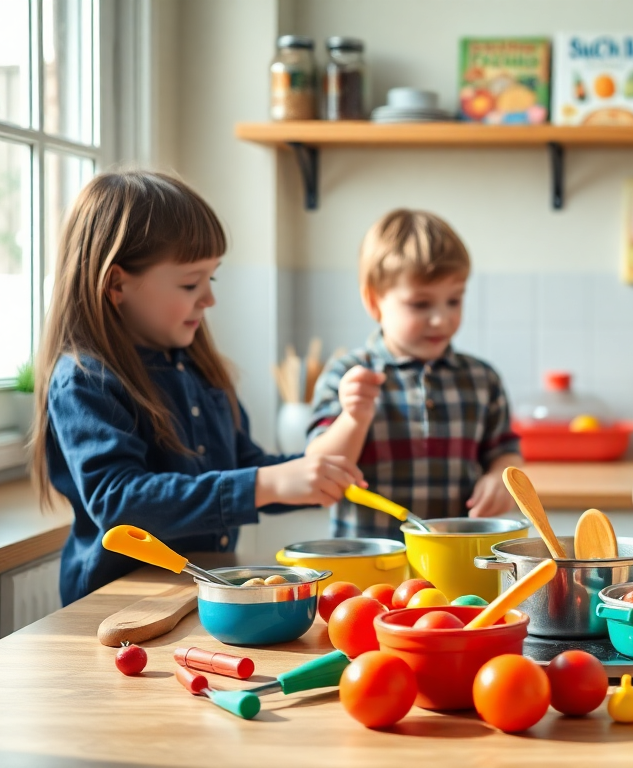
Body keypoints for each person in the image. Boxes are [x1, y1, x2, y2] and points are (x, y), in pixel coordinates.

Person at [36, 171, 363, 604]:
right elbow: (119, 501)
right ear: (117, 285)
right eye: (191, 283)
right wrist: (264, 484)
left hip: (197, 593)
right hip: (118, 605)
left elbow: (243, 464)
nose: (208, 299)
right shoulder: (85, 380)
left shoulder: (198, 369)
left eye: (213, 278)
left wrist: (306, 477)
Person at [307, 209, 521, 539]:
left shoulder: (482, 380)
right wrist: (353, 417)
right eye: (421, 304)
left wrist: (502, 477)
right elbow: (319, 472)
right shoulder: (346, 376)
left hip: (457, 564)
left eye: (454, 300)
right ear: (373, 301)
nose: (441, 319)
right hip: (372, 567)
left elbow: (505, 452)